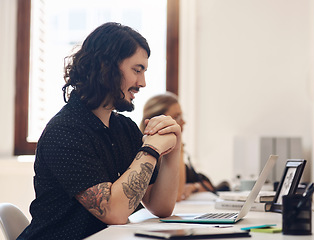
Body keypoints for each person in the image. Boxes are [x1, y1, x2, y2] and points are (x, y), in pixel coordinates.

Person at [17, 22, 181, 240]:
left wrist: (173, 147)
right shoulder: (65, 131)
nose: (142, 82)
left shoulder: (124, 128)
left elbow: (160, 206)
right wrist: (151, 148)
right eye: (137, 70)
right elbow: (114, 212)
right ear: (108, 67)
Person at [140, 92, 229, 202]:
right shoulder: (144, 155)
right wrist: (179, 144)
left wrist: (193, 187)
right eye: (176, 117)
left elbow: (208, 184)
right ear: (155, 120)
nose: (183, 122)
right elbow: (176, 195)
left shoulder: (172, 153)